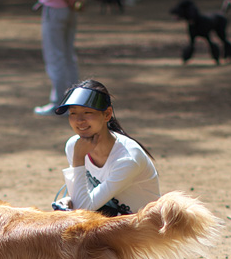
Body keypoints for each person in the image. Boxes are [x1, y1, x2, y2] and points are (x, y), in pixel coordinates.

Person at [52, 80, 159, 217]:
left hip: (143, 225)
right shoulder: (74, 145)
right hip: (110, 219)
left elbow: (83, 208)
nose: (79, 120)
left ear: (107, 114)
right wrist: (69, 201)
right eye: (73, 113)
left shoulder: (127, 158)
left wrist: (78, 159)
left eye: (87, 112)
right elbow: (83, 199)